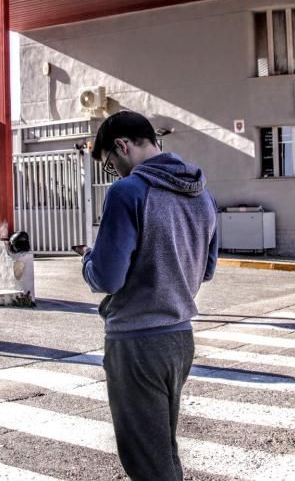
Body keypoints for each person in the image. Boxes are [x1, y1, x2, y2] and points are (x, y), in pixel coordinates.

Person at [81, 110, 218, 481]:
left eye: (110, 164)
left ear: (122, 146)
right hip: (180, 339)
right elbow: (206, 269)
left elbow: (107, 277)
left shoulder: (128, 192)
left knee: (147, 463)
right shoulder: (202, 193)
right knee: (163, 452)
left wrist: (87, 260)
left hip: (136, 342)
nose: (115, 172)